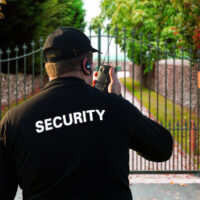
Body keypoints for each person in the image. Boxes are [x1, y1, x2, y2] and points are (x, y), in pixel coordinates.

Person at [0, 27, 173, 200]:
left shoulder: (14, 120)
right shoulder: (116, 107)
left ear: (48, 67)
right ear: (86, 65)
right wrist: (118, 99)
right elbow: (163, 148)